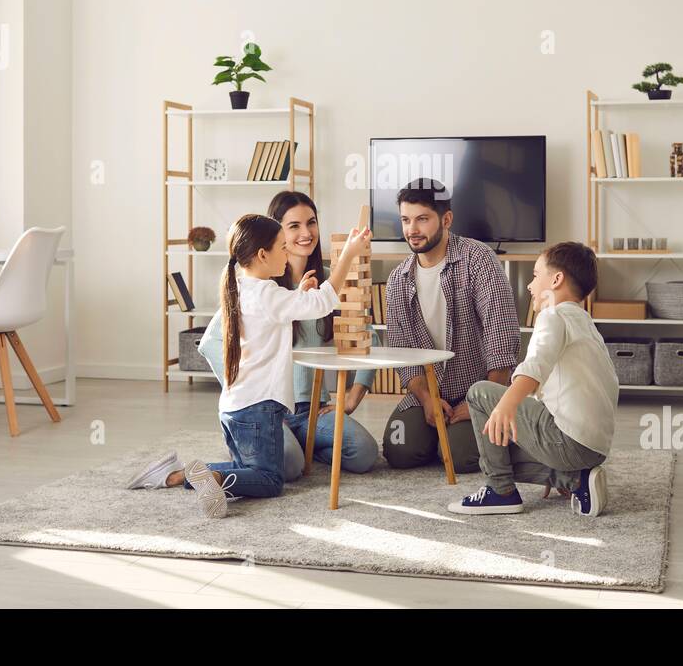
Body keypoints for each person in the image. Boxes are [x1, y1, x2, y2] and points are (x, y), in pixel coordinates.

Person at [126, 213, 371, 517]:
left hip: (233, 408)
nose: (287, 253)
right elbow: (324, 303)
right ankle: (211, 477)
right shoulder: (269, 293)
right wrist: (348, 253)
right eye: (282, 246)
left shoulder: (241, 287)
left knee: (248, 468)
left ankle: (175, 475)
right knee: (270, 479)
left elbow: (273, 317)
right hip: (259, 409)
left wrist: (297, 296)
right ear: (262, 255)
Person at [196, 191, 379, 479]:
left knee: (364, 453)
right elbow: (210, 343)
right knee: (288, 468)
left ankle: (303, 447)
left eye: (311, 223)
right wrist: (244, 393)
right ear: (273, 238)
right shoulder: (261, 287)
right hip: (269, 407)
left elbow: (367, 333)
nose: (306, 233)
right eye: (293, 226)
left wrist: (353, 397)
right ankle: (275, 450)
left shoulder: (327, 278)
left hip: (313, 410)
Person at [448, 242, 618, 517]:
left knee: (480, 393)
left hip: (569, 442)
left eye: (536, 275)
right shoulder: (584, 322)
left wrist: (504, 404)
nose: (530, 285)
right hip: (593, 448)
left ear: (557, 279)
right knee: (495, 452)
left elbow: (534, 367)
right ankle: (575, 480)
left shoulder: (553, 315)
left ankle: (500, 491)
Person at [381, 178, 520, 473]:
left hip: (480, 389)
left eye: (422, 219)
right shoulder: (397, 279)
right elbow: (403, 354)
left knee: (461, 458)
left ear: (446, 219)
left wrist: (484, 402)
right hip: (430, 391)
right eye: (406, 220)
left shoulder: (479, 259)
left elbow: (502, 338)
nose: (412, 230)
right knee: (399, 451)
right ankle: (439, 432)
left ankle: (492, 430)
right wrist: (427, 400)